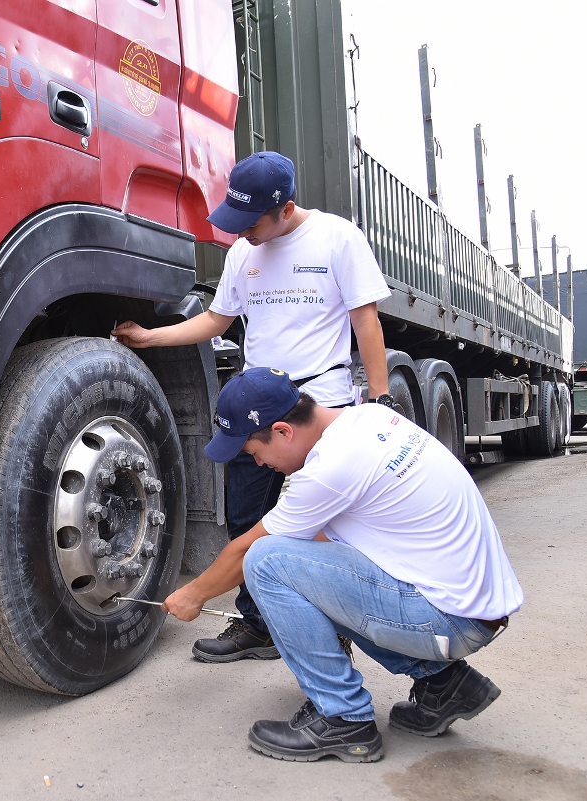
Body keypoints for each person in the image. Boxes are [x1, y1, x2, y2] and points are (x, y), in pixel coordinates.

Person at [114, 151, 395, 664]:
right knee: (246, 515)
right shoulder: (244, 253)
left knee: (324, 521)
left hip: (318, 404)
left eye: (252, 222)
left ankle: (336, 623)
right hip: (255, 408)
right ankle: (257, 624)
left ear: (285, 209)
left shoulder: (337, 238)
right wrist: (152, 337)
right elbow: (217, 320)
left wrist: (381, 401)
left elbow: (366, 322)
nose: (241, 232)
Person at [163, 367, 522, 762]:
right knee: (300, 566)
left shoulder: (329, 468)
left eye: (253, 452)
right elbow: (317, 549)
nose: (261, 464)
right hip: (469, 606)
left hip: (451, 619)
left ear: (283, 431)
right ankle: (445, 685)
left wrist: (192, 595)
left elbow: (246, 552)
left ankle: (342, 717)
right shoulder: (365, 419)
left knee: (266, 562)